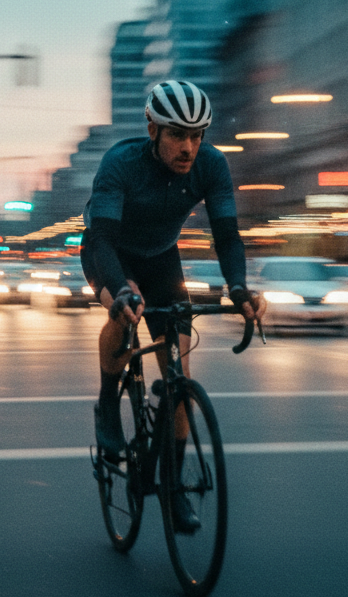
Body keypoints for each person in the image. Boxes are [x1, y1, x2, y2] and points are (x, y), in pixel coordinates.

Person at [81, 79, 267, 532]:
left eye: (198, 135)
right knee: (122, 312)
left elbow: (226, 236)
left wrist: (238, 287)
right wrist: (121, 291)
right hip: (110, 253)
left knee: (178, 375)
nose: (189, 147)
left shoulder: (212, 165)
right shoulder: (120, 164)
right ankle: (108, 401)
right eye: (178, 135)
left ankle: (173, 487)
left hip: (163, 259)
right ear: (152, 130)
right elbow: (102, 240)